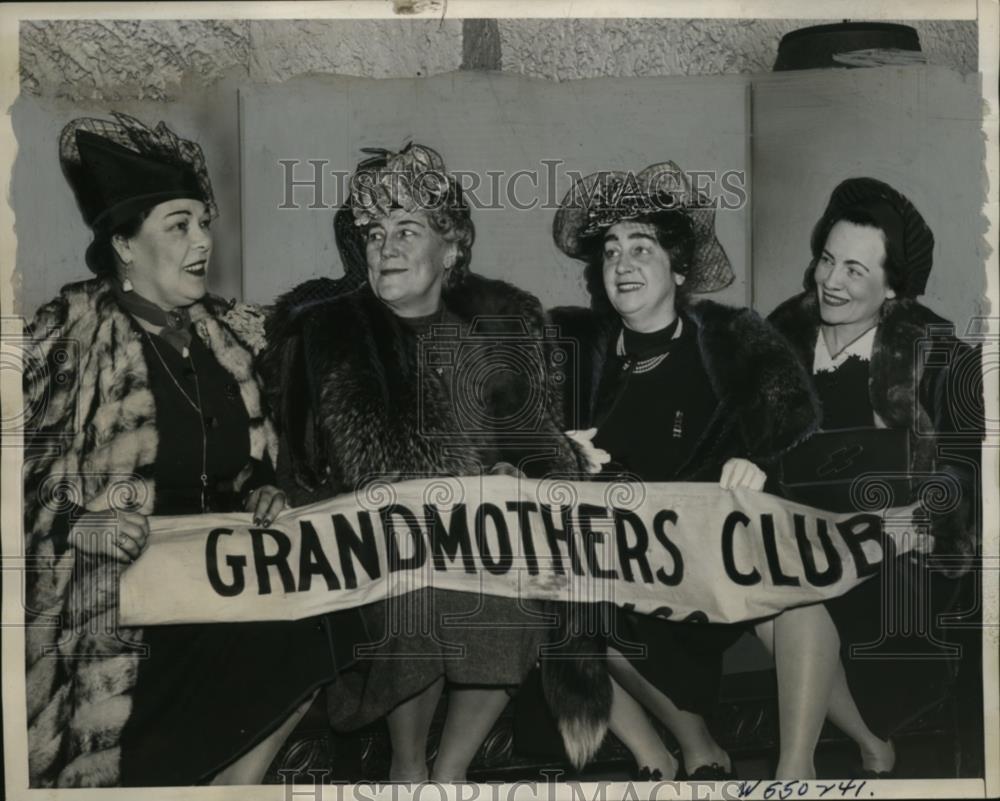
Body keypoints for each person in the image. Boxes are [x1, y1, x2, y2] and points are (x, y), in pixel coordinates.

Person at [23, 113, 340, 787]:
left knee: (328, 623)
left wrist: (260, 487)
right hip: (119, 613)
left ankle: (236, 784)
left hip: (217, 587)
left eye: (203, 222)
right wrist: (82, 523)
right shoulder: (69, 341)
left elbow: (246, 458)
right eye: (179, 225)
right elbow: (17, 480)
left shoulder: (230, 340)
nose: (202, 241)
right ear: (124, 244)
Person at [259, 143, 589, 782]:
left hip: (483, 548)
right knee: (422, 592)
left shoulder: (502, 328)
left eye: (406, 230)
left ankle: (450, 774)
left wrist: (523, 479)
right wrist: (286, 498)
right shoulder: (327, 336)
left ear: (452, 247)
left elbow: (548, 452)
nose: (385, 246)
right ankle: (408, 769)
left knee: (511, 593)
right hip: (374, 555)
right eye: (375, 233)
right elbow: (299, 471)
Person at [540, 163, 819, 779]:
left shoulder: (726, 337)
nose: (622, 263)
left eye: (642, 247)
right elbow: (518, 429)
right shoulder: (577, 350)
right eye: (611, 251)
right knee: (561, 597)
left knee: (795, 596)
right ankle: (676, 753)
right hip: (628, 561)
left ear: (680, 268)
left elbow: (792, 408)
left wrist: (757, 455)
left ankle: (809, 764)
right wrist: (564, 458)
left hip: (721, 551)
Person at [760, 177, 984, 778]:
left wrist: (926, 515)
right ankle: (855, 748)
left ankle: (793, 771)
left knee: (791, 593)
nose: (829, 281)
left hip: (900, 559)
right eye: (826, 261)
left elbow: (966, 468)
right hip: (800, 540)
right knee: (769, 589)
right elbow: (741, 441)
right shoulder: (776, 340)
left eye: (854, 270)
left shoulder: (938, 355)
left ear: (893, 288)